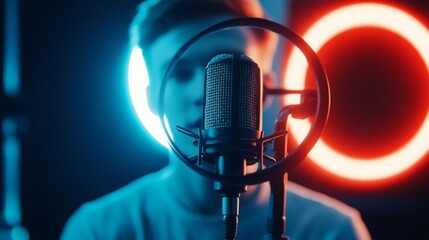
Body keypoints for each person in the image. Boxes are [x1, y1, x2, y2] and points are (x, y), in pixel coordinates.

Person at [61, 0, 371, 239]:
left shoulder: (332, 231)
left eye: (230, 70)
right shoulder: (100, 229)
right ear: (149, 98)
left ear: (266, 89)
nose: (203, 92)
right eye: (181, 73)